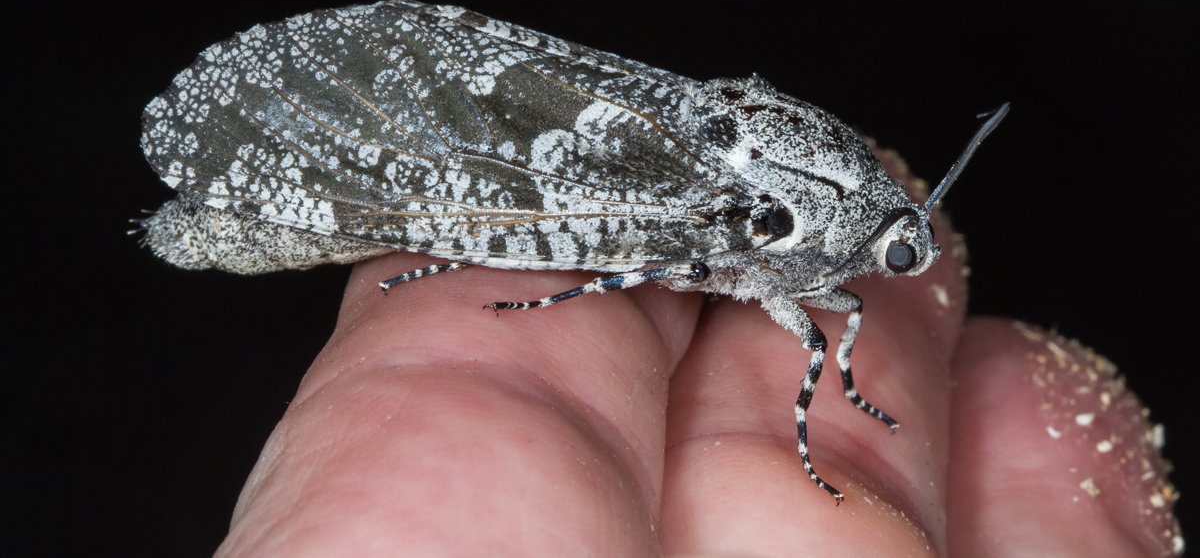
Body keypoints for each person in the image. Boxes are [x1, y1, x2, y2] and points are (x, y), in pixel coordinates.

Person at [213, 154, 1182, 558]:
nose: (902, 264)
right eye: (898, 249)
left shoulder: (833, 268)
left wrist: (845, 376)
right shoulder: (781, 232)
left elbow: (837, 313)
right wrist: (555, 294)